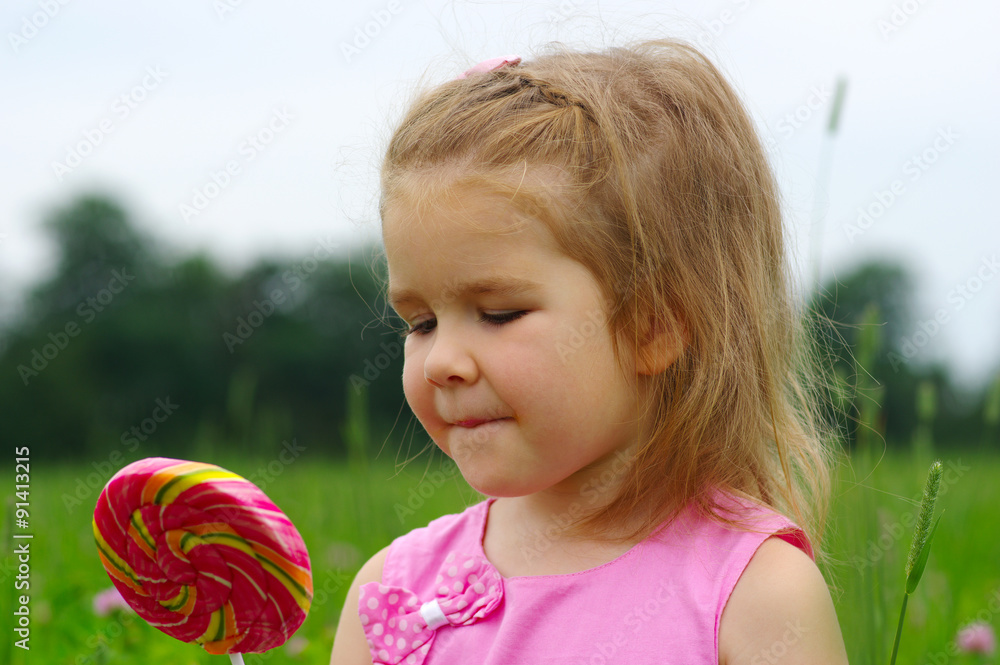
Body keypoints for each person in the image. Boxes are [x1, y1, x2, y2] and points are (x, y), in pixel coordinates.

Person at [331, 38, 849, 664]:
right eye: (420, 322)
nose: (442, 360)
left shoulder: (753, 595)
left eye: (498, 314)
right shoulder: (393, 593)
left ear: (655, 325)